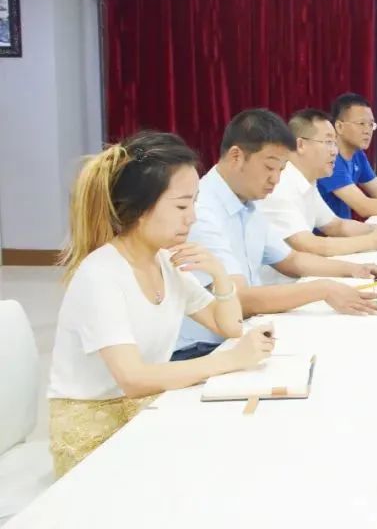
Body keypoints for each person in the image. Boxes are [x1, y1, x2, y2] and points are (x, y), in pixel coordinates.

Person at [47, 132, 275, 477]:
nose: (192, 217)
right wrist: (231, 359)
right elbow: (134, 378)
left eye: (194, 203)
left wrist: (220, 274)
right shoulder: (101, 274)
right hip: (94, 434)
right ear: (141, 208)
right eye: (182, 206)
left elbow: (227, 325)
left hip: (143, 410)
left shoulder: (164, 261)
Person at [175, 109, 377, 361]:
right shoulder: (200, 211)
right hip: (203, 348)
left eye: (281, 169)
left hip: (243, 333)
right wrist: (323, 289)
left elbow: (290, 260)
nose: (275, 180)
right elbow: (239, 298)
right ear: (236, 156)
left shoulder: (248, 201)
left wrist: (354, 270)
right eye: (269, 167)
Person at [258, 109, 377, 283]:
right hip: (277, 289)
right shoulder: (279, 186)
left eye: (335, 143)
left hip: (302, 280)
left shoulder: (307, 181)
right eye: (328, 142)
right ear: (300, 145)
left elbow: (336, 226)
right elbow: (310, 245)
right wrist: (373, 241)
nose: (335, 151)